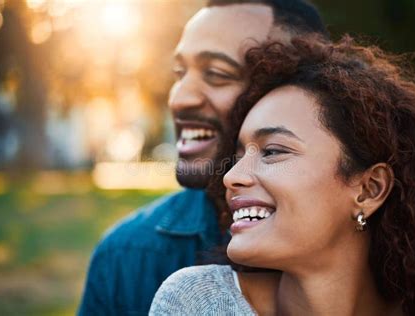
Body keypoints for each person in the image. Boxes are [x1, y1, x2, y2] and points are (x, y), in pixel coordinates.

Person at [149, 35, 415, 315]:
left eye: (272, 151)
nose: (230, 177)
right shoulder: (198, 303)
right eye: (237, 157)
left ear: (369, 190)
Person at [78, 1, 327, 315]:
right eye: (180, 73)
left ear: (299, 88)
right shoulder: (126, 256)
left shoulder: (391, 252)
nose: (179, 98)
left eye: (217, 74)